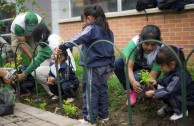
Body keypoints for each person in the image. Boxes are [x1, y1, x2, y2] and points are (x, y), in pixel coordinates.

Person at [56, 5, 114, 125]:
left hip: (94, 67)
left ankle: (89, 119)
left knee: (90, 92)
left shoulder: (91, 28)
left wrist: (62, 46)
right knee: (102, 90)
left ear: (89, 18)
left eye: (84, 20)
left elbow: (78, 38)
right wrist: (112, 66)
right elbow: (111, 49)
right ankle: (104, 116)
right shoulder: (108, 30)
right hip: (106, 66)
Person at [16, 24, 76, 99]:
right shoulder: (54, 36)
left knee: (36, 71)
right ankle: (62, 88)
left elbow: (36, 62)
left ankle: (56, 92)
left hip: (64, 72)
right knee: (47, 65)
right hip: (71, 68)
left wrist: (23, 75)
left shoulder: (47, 45)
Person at [114, 25, 162, 106]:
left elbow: (153, 74)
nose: (149, 48)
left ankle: (146, 91)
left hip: (149, 70)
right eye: (146, 44)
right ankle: (131, 91)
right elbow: (128, 67)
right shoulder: (134, 43)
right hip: (136, 65)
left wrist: (147, 87)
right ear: (141, 40)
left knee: (137, 77)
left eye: (153, 45)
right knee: (116, 63)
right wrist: (132, 82)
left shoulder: (160, 49)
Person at [145, 45, 194, 121]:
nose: (160, 68)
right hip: (181, 95)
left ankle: (181, 112)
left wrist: (154, 93)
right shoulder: (170, 71)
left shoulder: (179, 76)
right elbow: (165, 81)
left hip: (188, 100)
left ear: (172, 64)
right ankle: (171, 106)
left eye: (162, 66)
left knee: (168, 93)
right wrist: (156, 82)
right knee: (161, 87)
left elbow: (169, 91)